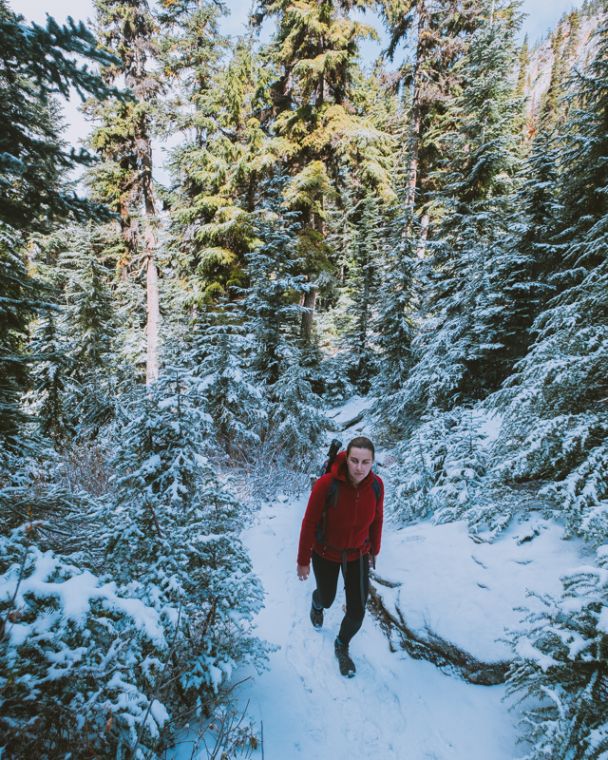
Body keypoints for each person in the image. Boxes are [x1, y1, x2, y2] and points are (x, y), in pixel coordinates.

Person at [296, 436, 384, 677]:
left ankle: (342, 645)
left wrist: (374, 549)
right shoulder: (327, 484)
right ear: (347, 458)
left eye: (365, 462)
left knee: (357, 611)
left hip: (358, 553)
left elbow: (377, 518)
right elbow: (309, 522)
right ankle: (317, 604)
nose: (359, 467)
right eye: (354, 460)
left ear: (372, 462)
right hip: (326, 552)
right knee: (327, 598)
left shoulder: (377, 485)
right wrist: (303, 560)